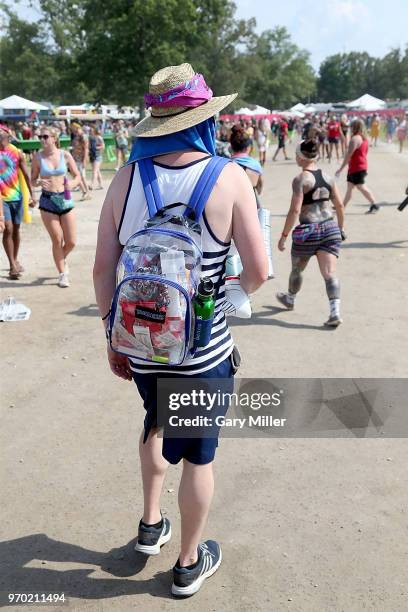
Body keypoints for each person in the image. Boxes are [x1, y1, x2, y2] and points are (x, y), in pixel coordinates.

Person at [93, 62, 268, 598]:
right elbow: (258, 272)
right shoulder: (230, 176)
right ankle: (189, 563)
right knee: (198, 453)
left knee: (154, 421)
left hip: (143, 342)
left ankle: (151, 525)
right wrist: (230, 301)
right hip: (201, 350)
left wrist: (110, 334)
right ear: (203, 119)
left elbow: (103, 267)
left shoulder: (127, 177)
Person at [276, 139, 345, 327]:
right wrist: (341, 228)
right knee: (330, 273)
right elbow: (338, 205)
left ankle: (290, 298)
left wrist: (284, 235)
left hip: (308, 231)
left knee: (297, 269)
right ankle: (335, 312)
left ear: (300, 156)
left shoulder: (300, 179)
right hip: (330, 228)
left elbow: (295, 210)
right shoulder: (329, 177)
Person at [31, 127, 81, 287]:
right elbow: (32, 180)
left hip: (65, 199)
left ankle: (61, 257)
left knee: (72, 241)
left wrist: (71, 184)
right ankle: (62, 274)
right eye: (40, 137)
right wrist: (38, 182)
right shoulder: (37, 157)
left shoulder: (65, 155)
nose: (42, 139)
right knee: (57, 239)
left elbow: (77, 176)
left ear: (54, 138)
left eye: (45, 136)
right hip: (47, 201)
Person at [0, 123, 34, 279]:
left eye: (3, 136)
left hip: (17, 196)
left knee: (16, 229)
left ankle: (14, 259)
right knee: (7, 229)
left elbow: (26, 175)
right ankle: (12, 265)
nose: (1, 139)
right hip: (2, 198)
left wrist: (32, 195)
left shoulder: (16, 152)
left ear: (8, 137)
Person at [336, 118, 378, 214]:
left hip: (357, 167)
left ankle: (374, 204)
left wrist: (340, 169)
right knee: (350, 188)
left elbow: (348, 155)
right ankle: (342, 206)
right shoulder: (364, 139)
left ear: (354, 127)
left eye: (351, 126)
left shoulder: (355, 139)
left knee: (361, 186)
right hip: (358, 166)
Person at [229, 124, 263, 196]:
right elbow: (259, 190)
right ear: (248, 147)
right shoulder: (255, 164)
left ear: (231, 147)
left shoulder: (225, 166)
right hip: (252, 203)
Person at [71, 124, 91, 200]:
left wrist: (84, 160)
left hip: (80, 159)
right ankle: (84, 192)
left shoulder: (83, 136)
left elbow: (86, 149)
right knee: (77, 176)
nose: (74, 130)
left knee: (81, 176)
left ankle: (86, 192)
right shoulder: (76, 136)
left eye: (75, 129)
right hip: (75, 159)